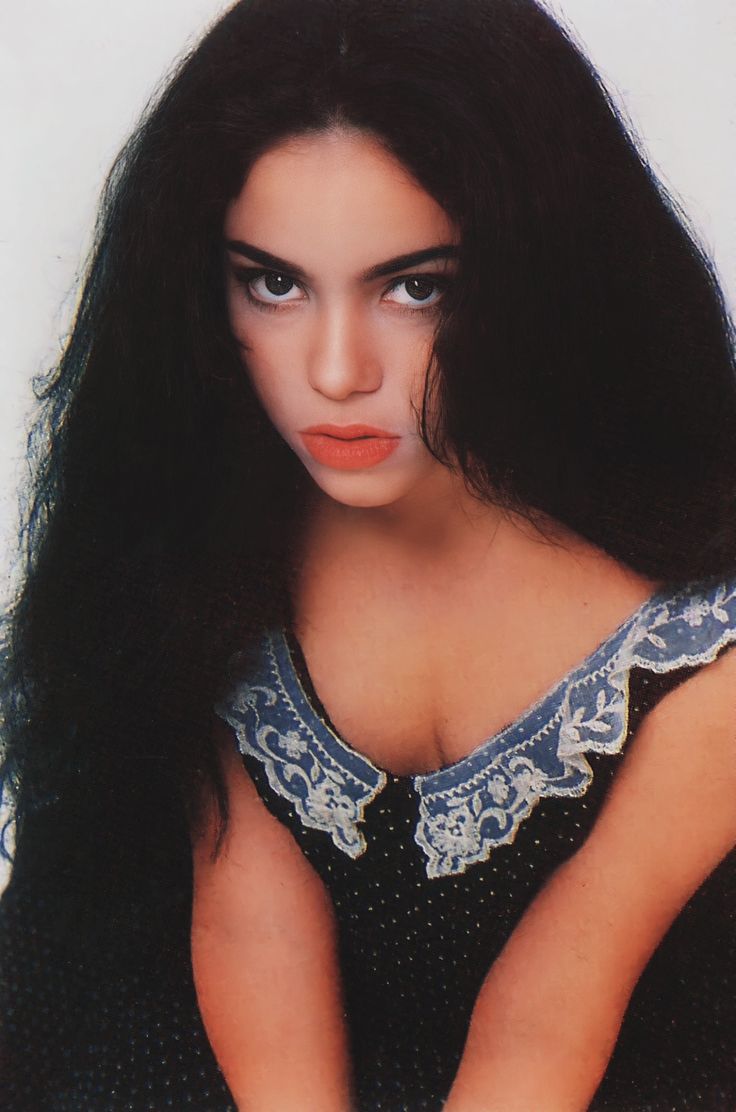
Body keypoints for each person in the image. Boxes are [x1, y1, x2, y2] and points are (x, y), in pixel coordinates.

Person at [1, 1, 735, 1109]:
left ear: (539, 269)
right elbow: (252, 917)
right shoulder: (214, 537)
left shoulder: (695, 636)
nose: (335, 371)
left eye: (414, 286)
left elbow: (557, 995)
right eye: (275, 282)